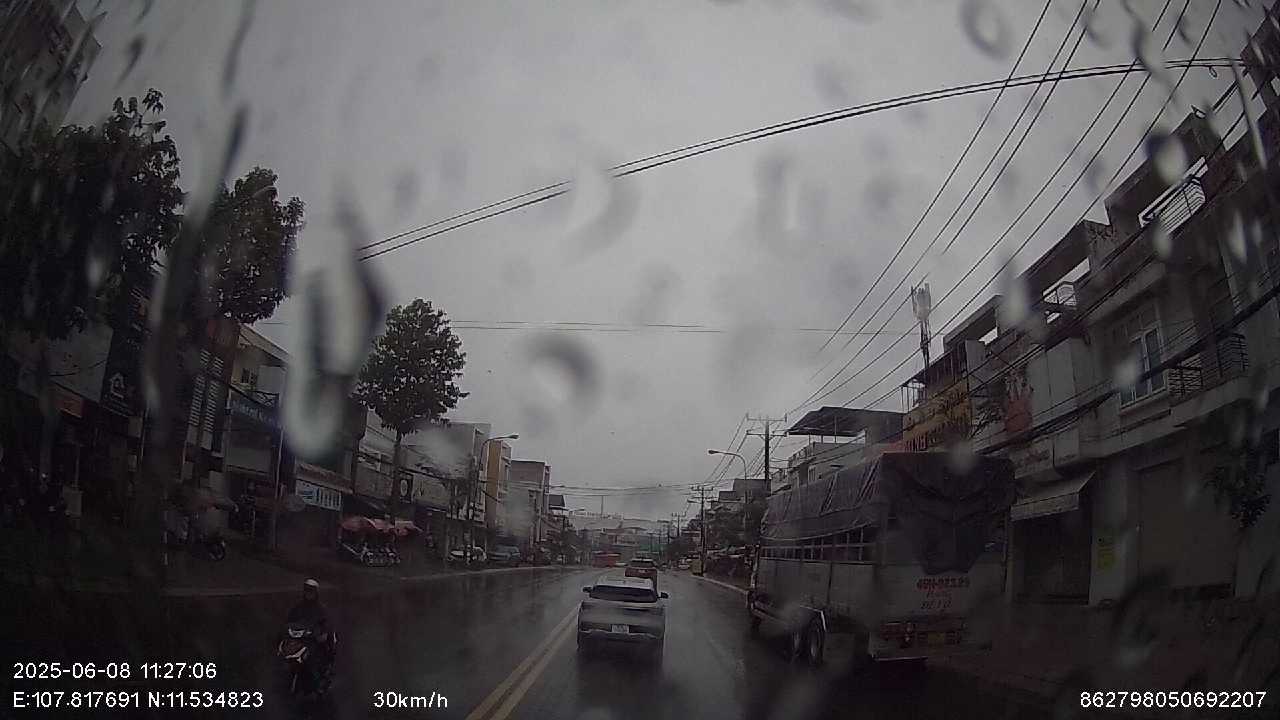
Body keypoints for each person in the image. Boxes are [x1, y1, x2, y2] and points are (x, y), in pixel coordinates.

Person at [286, 579, 334, 675]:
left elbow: (326, 622)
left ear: (316, 593)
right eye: (307, 591)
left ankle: (325, 670)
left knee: (324, 646)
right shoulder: (297, 607)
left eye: (311, 591)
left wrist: (323, 633)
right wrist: (288, 630)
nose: (309, 594)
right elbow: (289, 621)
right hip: (301, 637)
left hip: (314, 638)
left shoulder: (321, 608)